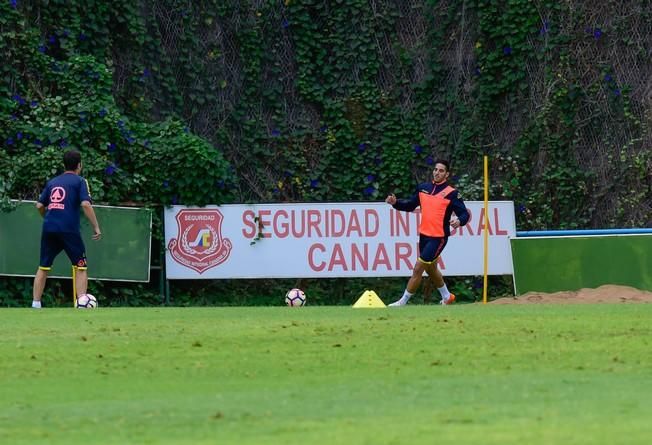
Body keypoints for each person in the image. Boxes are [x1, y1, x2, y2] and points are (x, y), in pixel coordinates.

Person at [385, 159, 469, 306]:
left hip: (439, 237)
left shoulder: (452, 193)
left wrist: (459, 221)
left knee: (418, 267)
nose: (437, 172)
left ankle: (402, 302)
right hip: (424, 235)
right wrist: (395, 203)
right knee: (431, 268)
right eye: (436, 169)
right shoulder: (423, 188)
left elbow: (464, 214)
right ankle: (447, 296)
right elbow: (410, 205)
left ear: (447, 174)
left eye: (441, 170)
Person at [31, 150, 101, 308]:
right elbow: (85, 204)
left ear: (64, 164)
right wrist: (96, 227)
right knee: (81, 265)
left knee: (43, 266)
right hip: (69, 229)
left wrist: (48, 217)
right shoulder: (80, 181)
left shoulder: (53, 182)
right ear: (79, 165)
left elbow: (39, 205)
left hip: (49, 227)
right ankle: (82, 302)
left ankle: (35, 304)